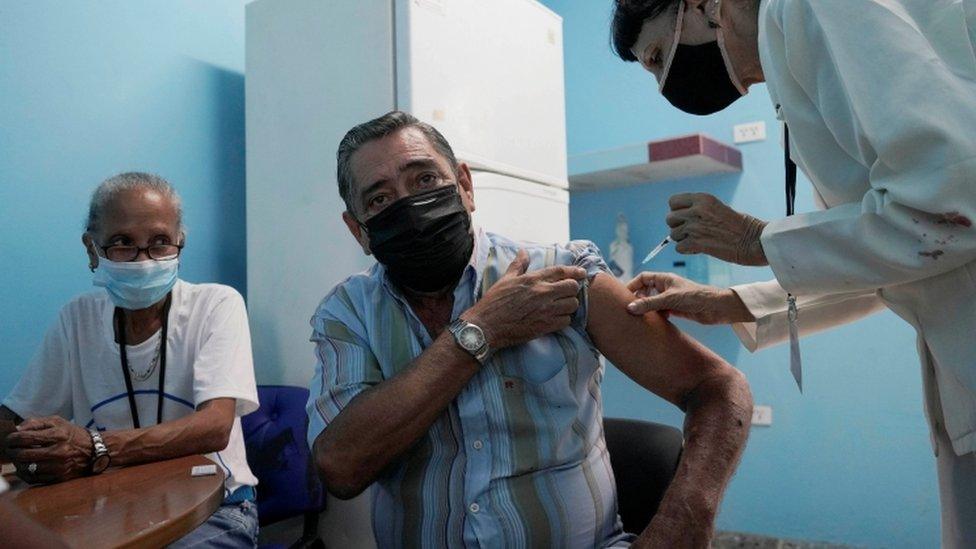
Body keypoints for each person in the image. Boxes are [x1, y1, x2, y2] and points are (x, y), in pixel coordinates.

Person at [611, 0, 976, 546]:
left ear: (705, 6)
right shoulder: (796, 51)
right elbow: (895, 257)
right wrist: (729, 301)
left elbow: (950, 208)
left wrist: (755, 241)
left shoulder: (816, 8)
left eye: (660, 54)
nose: (668, 84)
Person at [306, 111, 753, 548]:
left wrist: (683, 526)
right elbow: (341, 468)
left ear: (465, 185)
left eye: (425, 180)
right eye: (380, 199)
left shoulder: (565, 275)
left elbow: (717, 386)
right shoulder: (349, 313)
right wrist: (483, 328)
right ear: (358, 230)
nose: (410, 207)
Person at [0, 173, 260, 548]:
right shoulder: (78, 318)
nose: (143, 260)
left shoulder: (217, 305)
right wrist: (33, 445)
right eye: (123, 243)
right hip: (109, 504)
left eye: (159, 243)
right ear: (92, 249)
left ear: (180, 244)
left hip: (215, 505)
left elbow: (214, 427)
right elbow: (13, 420)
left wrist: (92, 447)